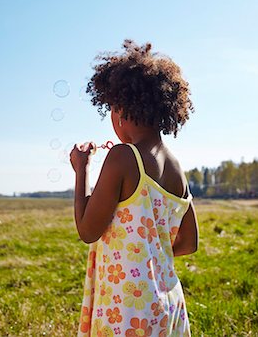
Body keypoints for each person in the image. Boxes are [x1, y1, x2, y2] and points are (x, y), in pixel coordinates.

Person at [70, 39, 199, 336]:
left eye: (112, 108)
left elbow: (87, 230)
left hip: (127, 307)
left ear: (123, 107)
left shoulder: (123, 156)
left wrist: (82, 169)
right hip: (168, 302)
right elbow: (189, 242)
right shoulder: (177, 168)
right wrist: (150, 255)